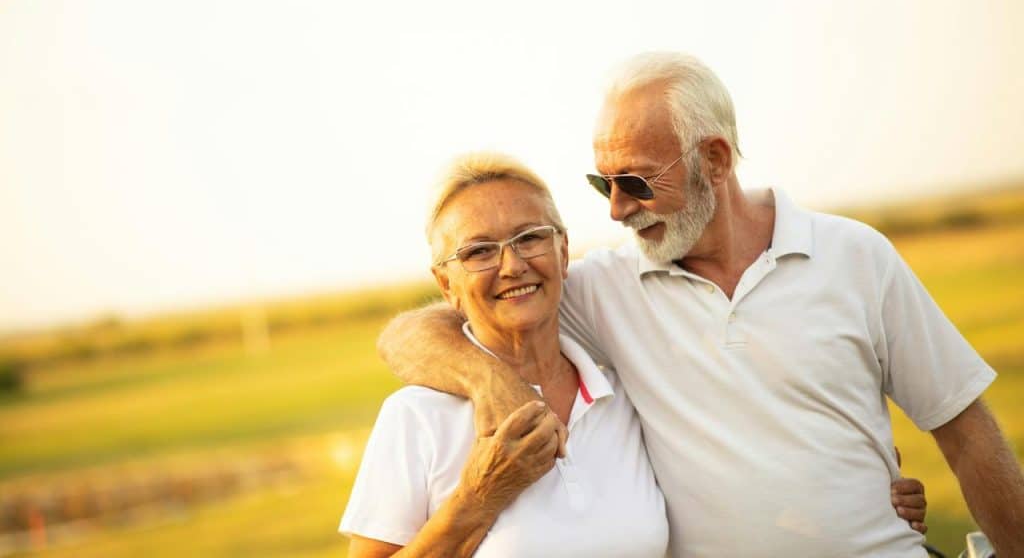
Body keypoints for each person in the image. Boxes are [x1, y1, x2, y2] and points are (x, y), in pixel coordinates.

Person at [378, 52, 1024, 557]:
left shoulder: (855, 255)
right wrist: (488, 381)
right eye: (602, 183)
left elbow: (965, 433)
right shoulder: (605, 287)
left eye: (634, 181)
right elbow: (415, 332)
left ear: (714, 158)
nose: (616, 208)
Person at [340, 153, 670, 557]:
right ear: (446, 284)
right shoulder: (415, 417)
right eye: (479, 252)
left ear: (563, 251)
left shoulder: (621, 396)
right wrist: (480, 497)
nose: (512, 265)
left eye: (529, 238)